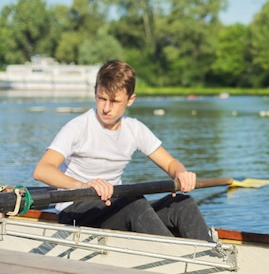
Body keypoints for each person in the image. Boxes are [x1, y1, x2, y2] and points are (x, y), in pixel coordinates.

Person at [33, 60, 211, 241]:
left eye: (115, 101)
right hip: (75, 211)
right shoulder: (78, 127)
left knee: (182, 203)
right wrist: (84, 185)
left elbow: (171, 163)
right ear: (95, 90)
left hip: (113, 207)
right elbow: (42, 170)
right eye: (102, 98)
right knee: (132, 201)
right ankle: (176, 257)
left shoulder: (134, 129)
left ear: (130, 99)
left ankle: (210, 256)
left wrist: (181, 174)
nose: (106, 108)